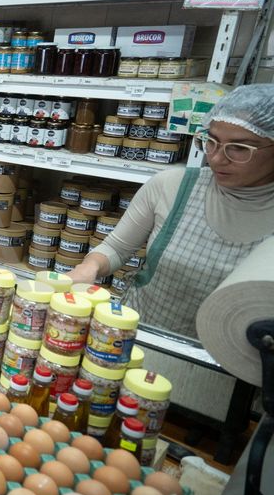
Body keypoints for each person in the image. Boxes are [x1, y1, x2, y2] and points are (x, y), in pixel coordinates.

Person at [69, 84, 274, 336]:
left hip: (234, 359)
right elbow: (116, 248)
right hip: (140, 335)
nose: (217, 158)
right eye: (210, 141)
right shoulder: (172, 186)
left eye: (240, 148)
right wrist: (90, 267)